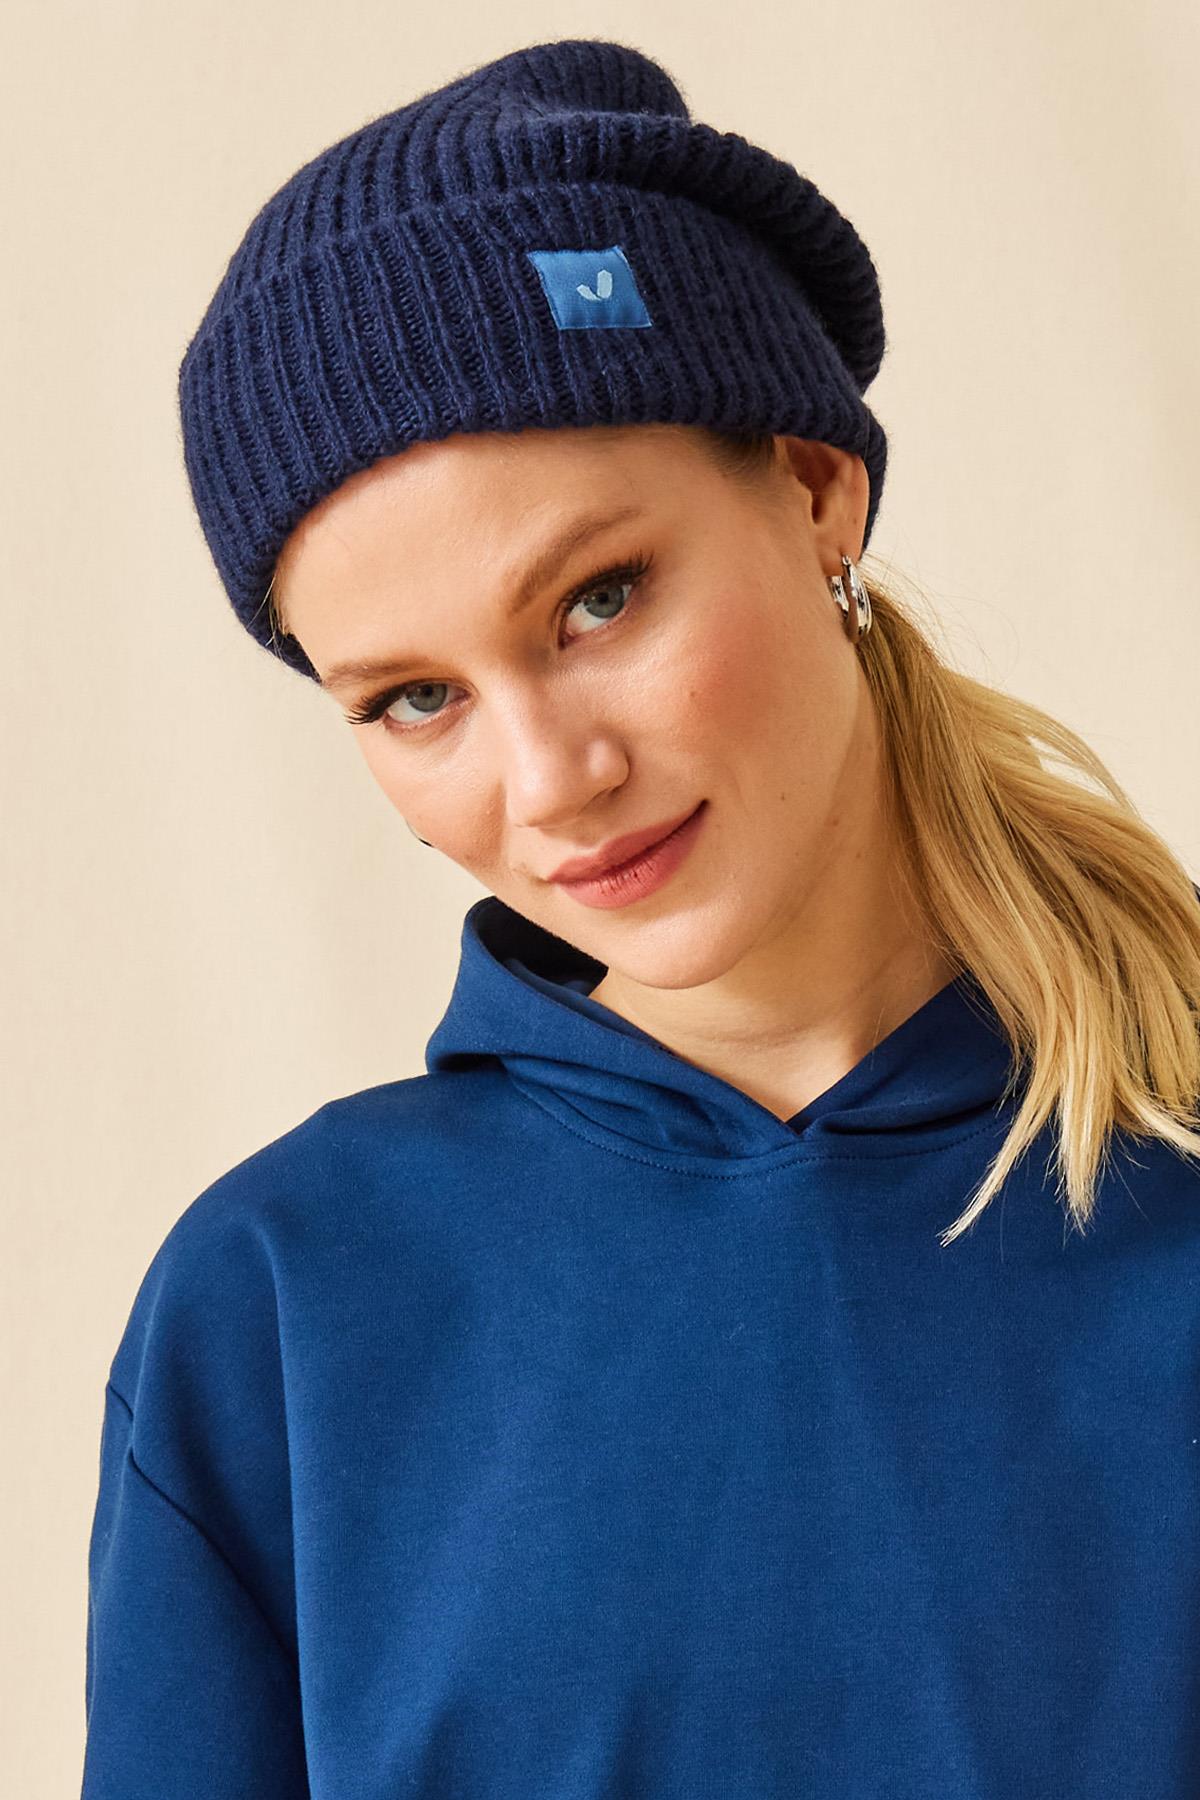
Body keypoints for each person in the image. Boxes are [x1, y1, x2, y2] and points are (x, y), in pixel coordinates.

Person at [81, 36, 1200, 1800]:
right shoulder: (281, 1306)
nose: (551, 781)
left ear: (814, 488)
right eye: (415, 700)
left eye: (598, 600)